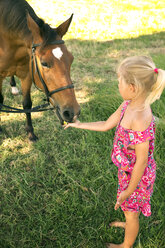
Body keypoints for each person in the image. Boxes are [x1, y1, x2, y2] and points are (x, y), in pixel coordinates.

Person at [64, 55, 165, 248]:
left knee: (131, 211)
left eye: (119, 80)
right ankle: (129, 221)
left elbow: (142, 162)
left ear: (132, 88)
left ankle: (125, 244)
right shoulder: (127, 105)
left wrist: (128, 190)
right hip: (127, 171)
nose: (117, 84)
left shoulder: (141, 118)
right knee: (128, 209)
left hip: (137, 177)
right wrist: (79, 124)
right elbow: (106, 125)